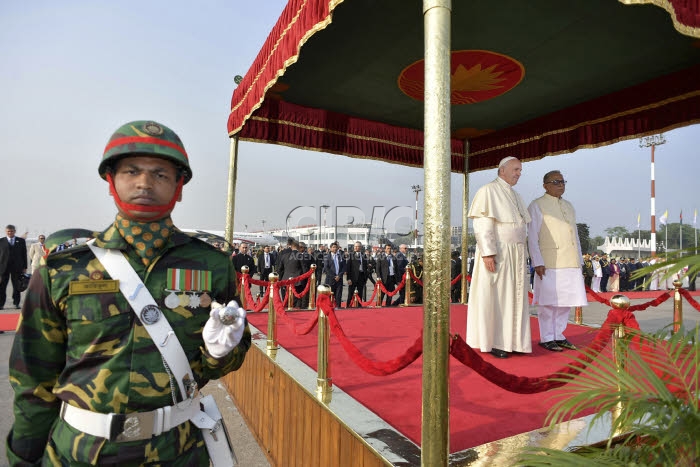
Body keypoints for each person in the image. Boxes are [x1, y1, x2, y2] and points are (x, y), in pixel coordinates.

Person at [7, 120, 251, 465]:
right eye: (131, 171)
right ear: (111, 182)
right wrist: (24, 456)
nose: (144, 183)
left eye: (160, 174)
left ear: (180, 186)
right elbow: (33, 376)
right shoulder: (64, 268)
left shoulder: (211, 265)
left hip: (177, 451)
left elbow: (234, 350)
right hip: (79, 453)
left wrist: (218, 352)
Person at [466, 157, 532, 359]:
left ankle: (516, 342)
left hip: (517, 253)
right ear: (502, 170)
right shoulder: (488, 191)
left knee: (516, 298)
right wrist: (488, 253)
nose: (519, 173)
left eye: (520, 170)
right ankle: (497, 342)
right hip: (500, 252)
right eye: (516, 169)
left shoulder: (516, 195)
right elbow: (483, 225)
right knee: (499, 297)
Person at [527, 170, 587, 352]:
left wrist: (580, 260)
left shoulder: (569, 206)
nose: (561, 184)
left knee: (566, 302)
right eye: (556, 181)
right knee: (549, 302)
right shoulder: (537, 205)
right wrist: (537, 260)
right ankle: (546, 338)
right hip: (548, 262)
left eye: (562, 181)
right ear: (545, 185)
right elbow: (532, 236)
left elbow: (574, 235)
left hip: (570, 261)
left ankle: (559, 335)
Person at [0, 224, 28, 310]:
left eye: (11, 231)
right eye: (8, 231)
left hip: (17, 267)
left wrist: (25, 267)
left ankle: (16, 303)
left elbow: (24, 254)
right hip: (3, 268)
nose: (10, 233)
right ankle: (1, 304)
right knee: (2, 286)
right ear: (6, 232)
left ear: (14, 231)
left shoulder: (21, 241)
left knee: (17, 286)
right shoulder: (1, 241)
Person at [323, 242, 345, 307]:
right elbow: (326, 268)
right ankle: (329, 308)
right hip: (330, 279)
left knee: (338, 295)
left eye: (336, 247)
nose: (335, 249)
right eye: (333, 247)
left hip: (339, 279)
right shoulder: (327, 257)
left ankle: (338, 307)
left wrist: (339, 275)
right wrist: (334, 276)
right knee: (329, 295)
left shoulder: (340, 256)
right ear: (330, 248)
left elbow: (344, 267)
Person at [345, 241, 366, 306]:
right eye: (355, 246)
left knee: (360, 293)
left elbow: (365, 266)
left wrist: (366, 276)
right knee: (350, 294)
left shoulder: (363, 255)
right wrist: (348, 278)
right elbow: (348, 268)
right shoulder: (350, 255)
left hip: (361, 276)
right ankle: (348, 306)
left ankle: (359, 306)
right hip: (353, 277)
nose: (356, 248)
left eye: (358, 246)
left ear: (361, 247)